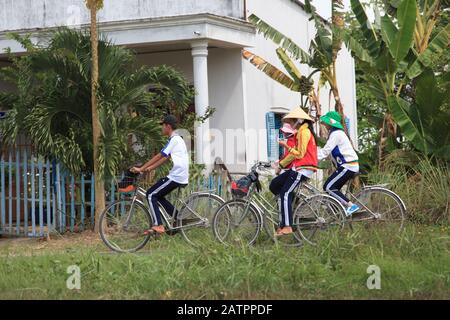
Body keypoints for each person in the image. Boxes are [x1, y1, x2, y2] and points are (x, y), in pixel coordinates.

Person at [131, 115, 189, 235]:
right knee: (158, 196)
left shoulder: (174, 140)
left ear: (168, 126)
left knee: (151, 194)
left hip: (176, 176)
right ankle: (178, 219)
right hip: (179, 175)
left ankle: (158, 225)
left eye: (162, 125)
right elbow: (166, 157)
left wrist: (141, 168)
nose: (161, 128)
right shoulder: (176, 139)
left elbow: (160, 156)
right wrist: (149, 168)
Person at [270, 108, 318, 236]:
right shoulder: (300, 132)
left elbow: (299, 153)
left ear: (299, 121)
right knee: (274, 185)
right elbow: (293, 155)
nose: (290, 125)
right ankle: (287, 214)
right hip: (297, 167)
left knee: (285, 192)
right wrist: (281, 165)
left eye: (291, 122)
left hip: (303, 168)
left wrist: (286, 146)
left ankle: (287, 226)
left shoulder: (304, 132)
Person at [318, 111, 360, 216]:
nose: (324, 124)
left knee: (328, 187)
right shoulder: (336, 133)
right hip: (348, 165)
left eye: (326, 122)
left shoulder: (336, 134)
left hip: (348, 165)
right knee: (333, 189)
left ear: (331, 123)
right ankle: (337, 212)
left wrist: (310, 159)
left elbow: (325, 151)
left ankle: (351, 206)